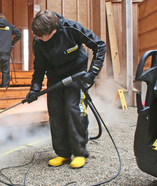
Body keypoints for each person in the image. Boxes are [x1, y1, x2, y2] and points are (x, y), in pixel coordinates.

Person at [25, 10, 106, 168]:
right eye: (37, 35)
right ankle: (63, 153)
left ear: (53, 31)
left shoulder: (72, 29)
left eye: (41, 35)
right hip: (55, 78)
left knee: (73, 109)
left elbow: (99, 46)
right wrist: (34, 89)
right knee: (56, 113)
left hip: (77, 75)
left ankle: (79, 152)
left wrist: (92, 73)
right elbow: (39, 68)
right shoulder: (39, 41)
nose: (38, 38)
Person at [0, 13, 22, 88]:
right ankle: (5, 87)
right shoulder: (10, 26)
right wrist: (12, 43)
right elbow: (19, 34)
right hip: (6, 52)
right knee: (5, 70)